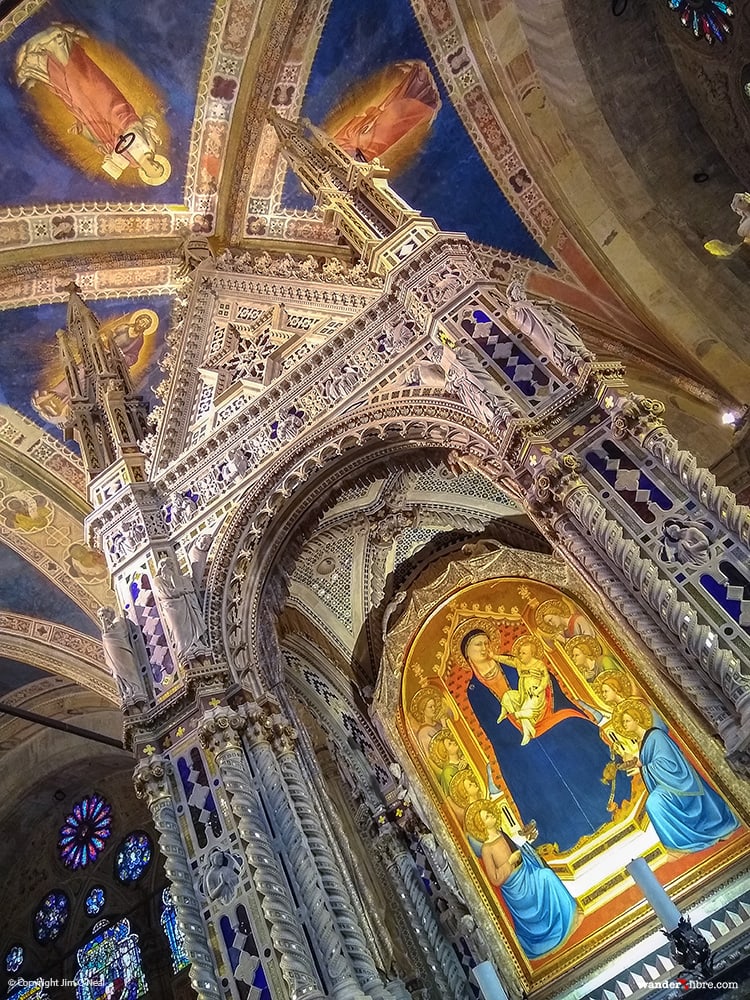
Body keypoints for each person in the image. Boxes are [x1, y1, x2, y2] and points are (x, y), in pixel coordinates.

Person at [457, 620, 630, 851]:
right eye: (478, 645)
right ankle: (563, 833)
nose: (484, 647)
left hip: (546, 714)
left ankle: (610, 796)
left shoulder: (512, 664)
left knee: (572, 728)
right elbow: (491, 727)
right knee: (527, 763)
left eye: (486, 642)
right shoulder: (474, 691)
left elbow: (545, 679)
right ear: (468, 655)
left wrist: (539, 706)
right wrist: (518, 731)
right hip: (515, 740)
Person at [612, 698, 739, 852]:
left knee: (654, 803)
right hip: (667, 783)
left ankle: (683, 843)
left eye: (627, 720)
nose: (625, 725)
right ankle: (684, 841)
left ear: (637, 719)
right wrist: (639, 764)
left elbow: (670, 764)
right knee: (654, 802)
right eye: (624, 722)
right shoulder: (643, 742)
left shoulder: (655, 735)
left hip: (679, 781)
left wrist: (641, 765)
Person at [465, 798, 577, 958]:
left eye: (489, 813)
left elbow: (520, 850)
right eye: (487, 816)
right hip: (516, 888)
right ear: (482, 825)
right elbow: (495, 879)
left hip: (526, 874)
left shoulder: (502, 834)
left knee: (547, 875)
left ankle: (566, 917)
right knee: (546, 876)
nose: (491, 815)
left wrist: (526, 841)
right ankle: (552, 929)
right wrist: (509, 862)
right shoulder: (486, 849)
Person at [153, 554, 209, 660]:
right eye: (169, 566)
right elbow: (165, 593)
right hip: (171, 609)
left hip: (185, 605)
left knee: (190, 626)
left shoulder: (179, 579)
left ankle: (196, 644)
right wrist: (180, 591)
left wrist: (177, 582)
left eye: (172, 566)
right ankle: (184, 650)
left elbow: (189, 589)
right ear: (163, 567)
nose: (172, 568)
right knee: (178, 630)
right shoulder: (157, 581)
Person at [98, 606, 147, 707]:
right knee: (117, 673)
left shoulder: (118, 620)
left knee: (128, 670)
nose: (102, 617)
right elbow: (107, 635)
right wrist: (105, 627)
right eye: (100, 616)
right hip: (113, 653)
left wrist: (107, 628)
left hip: (122, 649)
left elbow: (117, 633)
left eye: (103, 614)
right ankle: (127, 693)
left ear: (110, 613)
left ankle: (136, 691)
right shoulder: (106, 628)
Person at [409, 685, 450, 755]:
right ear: (423, 710)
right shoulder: (424, 733)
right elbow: (437, 754)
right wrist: (444, 727)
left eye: (434, 706)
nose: (434, 709)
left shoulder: (438, 723)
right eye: (430, 707)